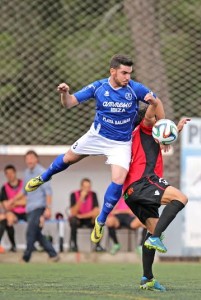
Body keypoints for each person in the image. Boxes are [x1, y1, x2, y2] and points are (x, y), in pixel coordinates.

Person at [24, 54, 161, 244]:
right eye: (124, 73)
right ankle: (43, 177)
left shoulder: (135, 88)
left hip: (120, 143)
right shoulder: (98, 87)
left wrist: (161, 129)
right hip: (96, 136)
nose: (127, 77)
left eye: (130, 73)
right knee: (68, 159)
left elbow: (157, 102)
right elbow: (70, 103)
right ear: (112, 71)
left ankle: (101, 220)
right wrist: (64, 93)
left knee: (118, 179)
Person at [123, 99, 190, 291]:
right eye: (154, 118)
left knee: (152, 231)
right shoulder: (144, 127)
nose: (157, 120)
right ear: (148, 119)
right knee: (180, 198)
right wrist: (153, 100)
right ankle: (155, 238)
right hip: (143, 181)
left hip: (130, 192)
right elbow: (151, 117)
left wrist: (176, 128)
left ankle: (147, 278)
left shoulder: (143, 135)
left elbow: (161, 135)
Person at [21, 150, 59, 262]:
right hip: (29, 208)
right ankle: (53, 255)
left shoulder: (42, 172)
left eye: (31, 158)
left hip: (39, 207)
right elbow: (23, 192)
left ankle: (25, 258)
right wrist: (12, 201)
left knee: (30, 232)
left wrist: (48, 208)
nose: (29, 160)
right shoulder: (27, 173)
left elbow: (48, 192)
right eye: (27, 158)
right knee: (37, 233)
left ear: (36, 159)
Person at [69, 178, 105, 252]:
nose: (87, 189)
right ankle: (74, 246)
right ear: (81, 187)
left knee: (99, 220)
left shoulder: (93, 194)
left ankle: (98, 246)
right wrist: (81, 198)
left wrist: (82, 216)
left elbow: (96, 212)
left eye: (89, 187)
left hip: (89, 219)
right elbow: (73, 212)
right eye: (85, 187)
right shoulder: (73, 194)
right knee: (73, 221)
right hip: (78, 220)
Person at [0, 165, 26, 252]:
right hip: (13, 212)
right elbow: (6, 205)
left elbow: (27, 201)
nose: (10, 175)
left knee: (37, 220)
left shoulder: (24, 184)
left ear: (15, 173)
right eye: (7, 174)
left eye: (11, 173)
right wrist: (20, 202)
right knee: (8, 219)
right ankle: (13, 246)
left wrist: (13, 202)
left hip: (27, 211)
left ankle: (33, 245)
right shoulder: (4, 188)